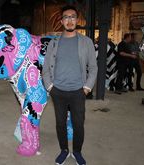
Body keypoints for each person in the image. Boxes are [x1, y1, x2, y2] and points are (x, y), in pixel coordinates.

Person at [42, 5, 98, 165]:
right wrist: (50, 87)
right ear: (62, 21)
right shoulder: (54, 42)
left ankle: (77, 152)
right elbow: (46, 68)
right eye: (66, 17)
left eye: (72, 16)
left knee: (79, 124)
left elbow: (93, 67)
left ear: (77, 19)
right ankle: (64, 150)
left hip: (78, 92)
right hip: (58, 91)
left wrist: (87, 87)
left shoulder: (86, 42)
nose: (69, 20)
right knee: (60, 124)